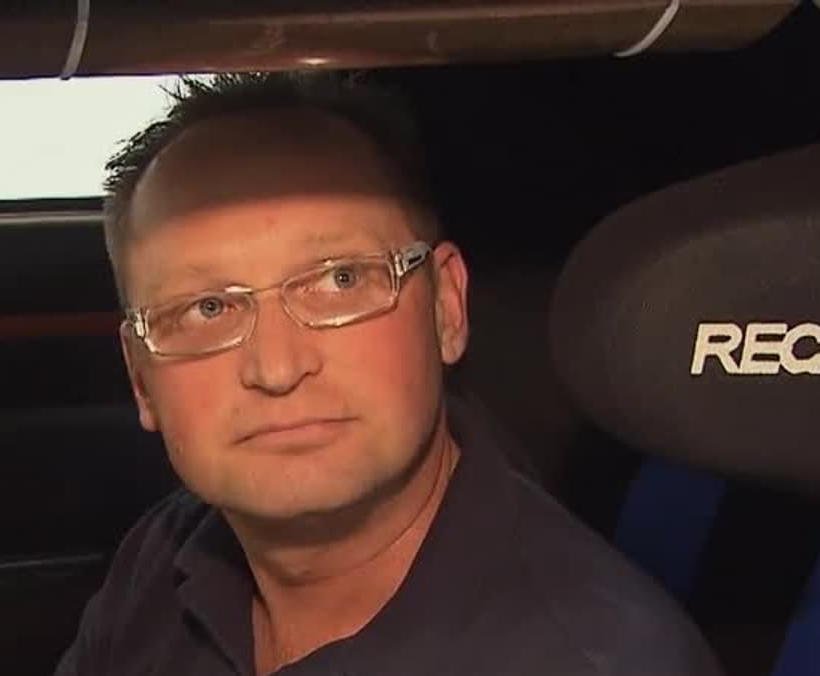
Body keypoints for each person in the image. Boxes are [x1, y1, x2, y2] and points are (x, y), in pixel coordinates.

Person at [54, 71, 720, 676]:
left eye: (341, 280)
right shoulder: (164, 556)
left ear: (446, 308)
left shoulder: (592, 659)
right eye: (206, 308)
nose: (277, 368)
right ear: (141, 378)